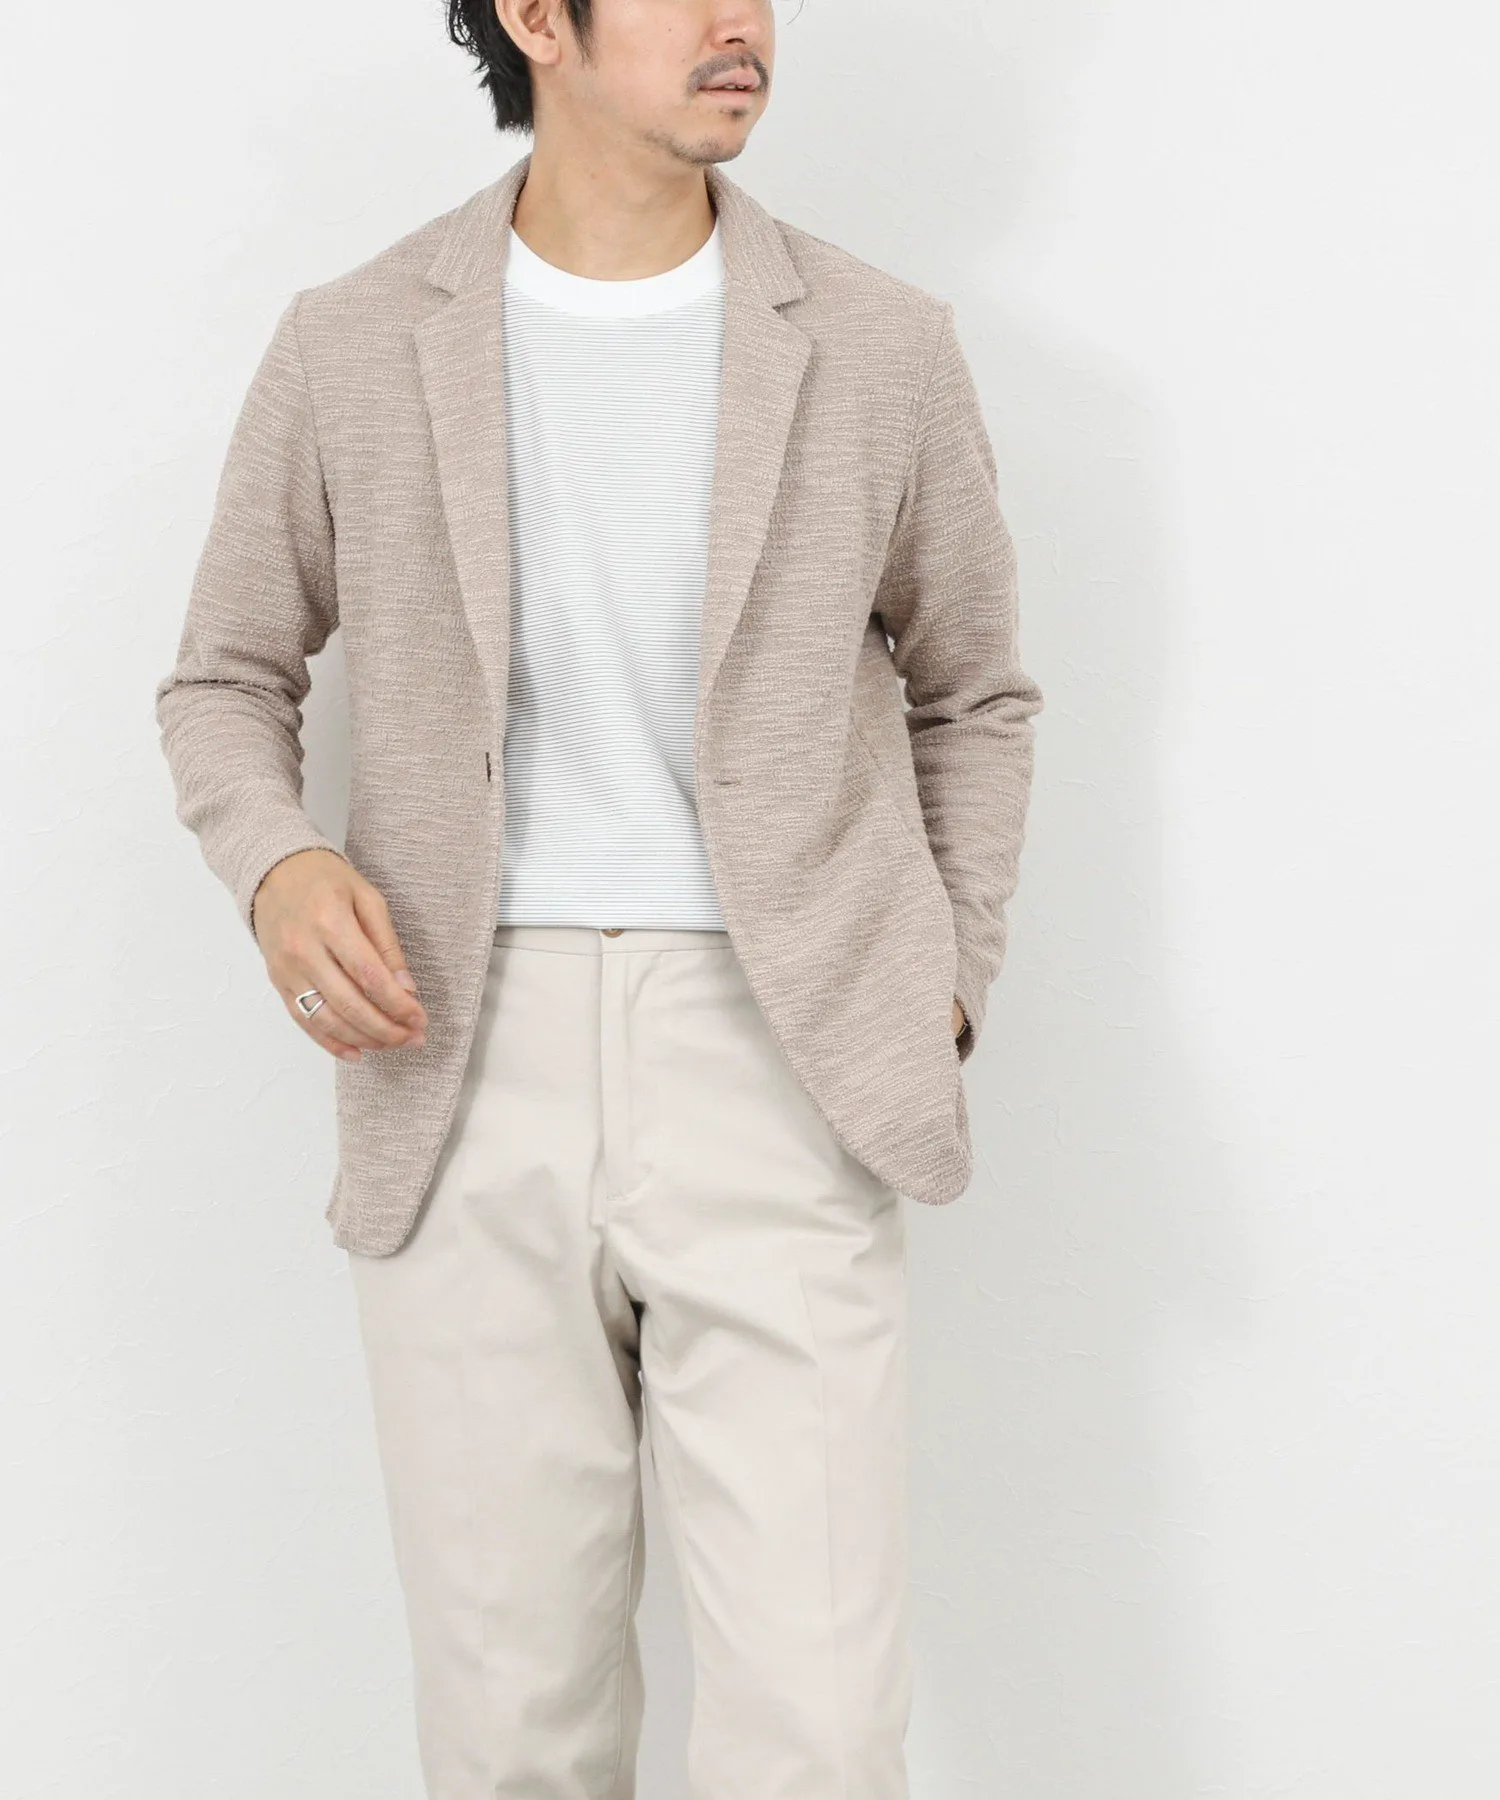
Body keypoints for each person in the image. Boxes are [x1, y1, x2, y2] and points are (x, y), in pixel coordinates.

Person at [154, 1, 1043, 1793]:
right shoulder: (352, 340)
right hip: (458, 1057)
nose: (740, 24)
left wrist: (939, 984)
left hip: (786, 1051)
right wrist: (279, 861)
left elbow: (976, 691)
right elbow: (224, 677)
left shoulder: (881, 342)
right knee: (513, 1732)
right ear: (534, 19)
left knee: (819, 1729)